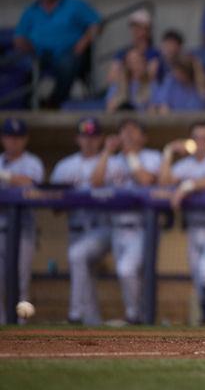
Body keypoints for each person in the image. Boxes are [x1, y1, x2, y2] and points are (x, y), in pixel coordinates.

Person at [159, 121, 205, 324]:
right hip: (194, 227)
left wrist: (188, 186)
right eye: (197, 137)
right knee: (198, 278)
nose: (200, 141)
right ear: (191, 140)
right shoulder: (186, 165)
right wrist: (168, 152)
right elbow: (164, 182)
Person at [91, 118, 161, 324]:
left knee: (126, 269)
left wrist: (130, 155)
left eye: (133, 131)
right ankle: (136, 314)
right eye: (124, 131)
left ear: (144, 137)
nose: (127, 135)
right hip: (115, 227)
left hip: (142, 227)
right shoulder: (112, 160)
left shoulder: (151, 157)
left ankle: (135, 315)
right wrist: (106, 151)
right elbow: (95, 182)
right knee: (126, 272)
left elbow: (146, 180)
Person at [50, 117, 110, 325]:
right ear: (77, 138)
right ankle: (93, 323)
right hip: (75, 228)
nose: (89, 141)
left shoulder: (110, 162)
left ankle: (74, 315)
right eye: (85, 136)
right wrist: (69, 197)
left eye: (93, 136)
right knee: (86, 277)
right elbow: (55, 209)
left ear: (101, 138)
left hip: (103, 228)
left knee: (77, 256)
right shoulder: (65, 166)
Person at [14, 0, 100, 108]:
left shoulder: (74, 4)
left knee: (67, 64)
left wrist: (84, 42)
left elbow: (96, 24)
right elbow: (19, 37)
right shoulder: (31, 10)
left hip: (70, 53)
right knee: (24, 68)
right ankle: (26, 105)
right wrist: (26, 46)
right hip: (40, 55)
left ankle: (54, 103)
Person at [0, 118, 44, 324]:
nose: (14, 141)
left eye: (18, 137)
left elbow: (29, 183)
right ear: (3, 138)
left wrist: (4, 175)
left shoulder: (32, 162)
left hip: (23, 229)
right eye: (10, 136)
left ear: (25, 139)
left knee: (20, 278)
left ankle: (21, 326)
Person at [106, 9, 160, 86]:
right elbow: (111, 78)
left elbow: (151, 77)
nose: (136, 31)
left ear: (148, 30)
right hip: (126, 92)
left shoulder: (155, 53)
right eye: (134, 27)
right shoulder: (122, 52)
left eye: (140, 27)